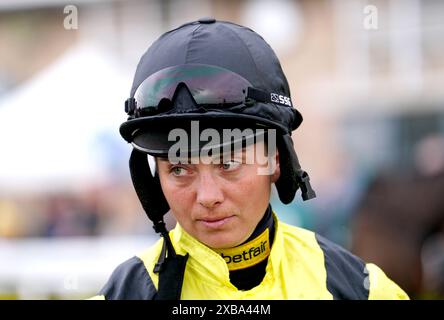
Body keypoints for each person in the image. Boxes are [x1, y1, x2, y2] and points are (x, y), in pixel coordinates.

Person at [92, 18, 409, 300]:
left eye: (228, 164)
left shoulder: (359, 289)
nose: (207, 197)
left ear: (275, 160)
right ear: (153, 180)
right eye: (178, 169)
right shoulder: (127, 293)